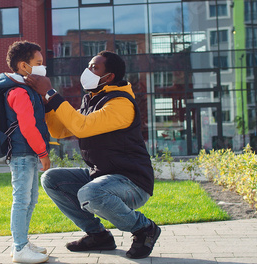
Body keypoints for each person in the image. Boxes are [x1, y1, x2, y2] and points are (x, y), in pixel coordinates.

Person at [25, 51, 160, 259]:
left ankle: (144, 229)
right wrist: (47, 106)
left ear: (110, 76)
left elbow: (81, 127)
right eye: (88, 66)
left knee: (90, 194)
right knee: (51, 179)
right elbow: (61, 131)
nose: (88, 71)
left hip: (132, 182)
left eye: (94, 68)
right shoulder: (93, 100)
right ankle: (98, 236)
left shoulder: (121, 103)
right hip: (102, 176)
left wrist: (51, 94)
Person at [0, 40, 50, 263]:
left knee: (30, 199)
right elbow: (27, 126)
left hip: (28, 154)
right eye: (39, 63)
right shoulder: (18, 91)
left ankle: (22, 241)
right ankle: (20, 248)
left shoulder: (27, 89)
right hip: (23, 155)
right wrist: (43, 153)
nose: (43, 67)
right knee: (22, 200)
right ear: (24, 66)